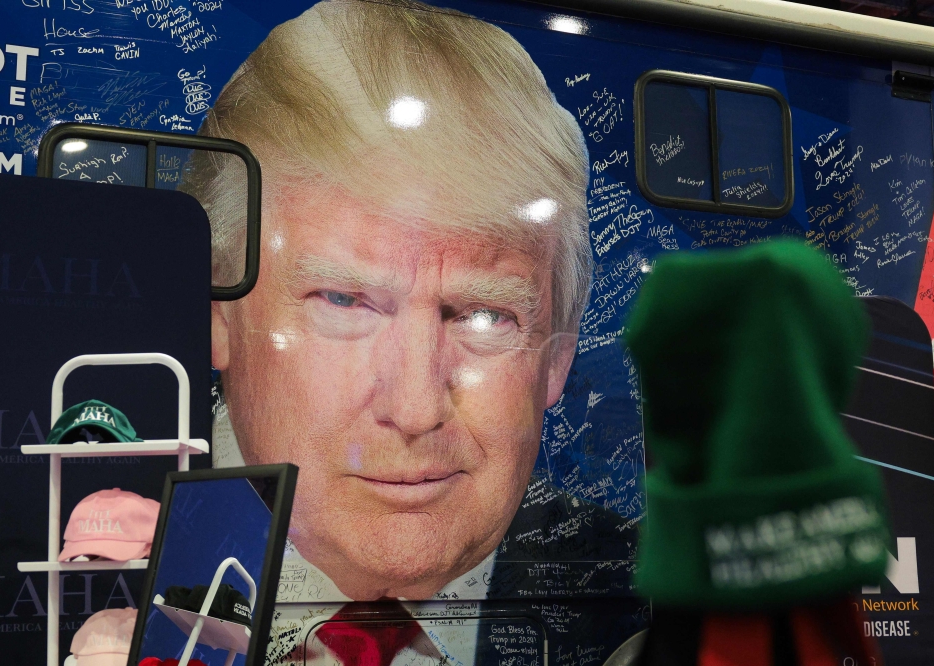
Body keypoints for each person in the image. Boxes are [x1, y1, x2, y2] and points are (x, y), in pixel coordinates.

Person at [186, 0, 634, 645]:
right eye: (344, 301)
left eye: (486, 314)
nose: (416, 409)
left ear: (557, 357)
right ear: (218, 316)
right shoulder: (83, 547)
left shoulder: (659, 603)